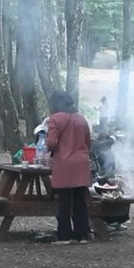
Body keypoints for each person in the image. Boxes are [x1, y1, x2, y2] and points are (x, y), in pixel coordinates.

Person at [46, 91, 93, 245]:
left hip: (64, 165)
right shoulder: (81, 119)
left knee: (64, 201)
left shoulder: (55, 119)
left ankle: (64, 235)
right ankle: (82, 234)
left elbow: (51, 143)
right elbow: (88, 141)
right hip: (81, 164)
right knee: (80, 201)